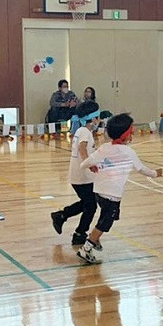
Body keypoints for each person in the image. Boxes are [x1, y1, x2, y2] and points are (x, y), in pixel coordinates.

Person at [77, 113, 163, 264]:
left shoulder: (104, 148)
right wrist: (155, 173)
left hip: (99, 192)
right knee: (105, 223)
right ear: (125, 134)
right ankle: (87, 247)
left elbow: (84, 164)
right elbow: (142, 169)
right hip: (112, 195)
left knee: (106, 218)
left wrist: (91, 166)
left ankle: (94, 238)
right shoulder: (128, 152)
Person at [51, 102, 102, 246]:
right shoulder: (84, 132)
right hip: (81, 176)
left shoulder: (82, 131)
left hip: (82, 176)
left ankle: (61, 216)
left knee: (87, 203)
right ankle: (79, 233)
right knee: (91, 206)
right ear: (92, 119)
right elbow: (82, 148)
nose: (99, 120)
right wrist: (88, 163)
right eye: (97, 117)